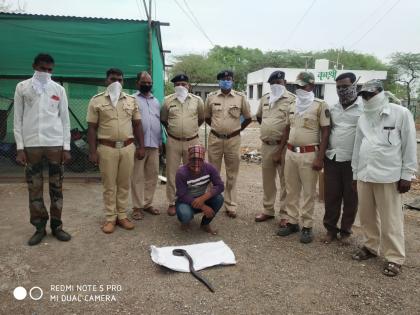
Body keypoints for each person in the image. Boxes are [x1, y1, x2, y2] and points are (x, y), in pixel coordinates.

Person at [351, 79, 417, 277]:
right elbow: (357, 146)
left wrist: (407, 175)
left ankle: (395, 257)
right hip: (365, 173)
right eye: (363, 95)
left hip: (389, 176)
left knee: (391, 219)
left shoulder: (400, 113)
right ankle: (371, 247)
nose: (367, 98)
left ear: (381, 93)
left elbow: (409, 146)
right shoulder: (363, 117)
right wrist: (355, 174)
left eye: (370, 94)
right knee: (367, 216)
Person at [13, 53, 72, 246]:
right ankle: (39, 227)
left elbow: (64, 120)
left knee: (57, 187)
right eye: (42, 68)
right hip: (31, 145)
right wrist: (20, 147)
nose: (45, 72)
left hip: (55, 144)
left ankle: (57, 226)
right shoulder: (22, 87)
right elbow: (17, 119)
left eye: (49, 70)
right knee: (34, 188)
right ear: (34, 66)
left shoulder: (58, 90)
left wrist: (66, 147)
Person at [274, 72, 330, 243]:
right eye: (297, 86)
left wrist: (320, 158)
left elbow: (326, 131)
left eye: (303, 86)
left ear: (311, 86)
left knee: (308, 192)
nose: (299, 89)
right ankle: (292, 222)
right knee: (291, 189)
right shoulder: (292, 104)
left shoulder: (320, 105)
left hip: (309, 153)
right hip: (291, 153)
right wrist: (280, 150)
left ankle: (307, 226)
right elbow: (287, 129)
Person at [87, 68, 145, 234]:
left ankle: (122, 216)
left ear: (123, 82)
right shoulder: (96, 101)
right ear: (106, 81)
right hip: (106, 148)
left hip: (127, 147)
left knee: (124, 183)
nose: (116, 82)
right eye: (113, 79)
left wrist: (141, 146)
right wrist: (92, 151)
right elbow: (91, 128)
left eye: (120, 79)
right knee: (109, 185)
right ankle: (110, 218)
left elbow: (137, 125)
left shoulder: (131, 100)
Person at [204, 70, 252, 218]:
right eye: (223, 79)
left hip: (233, 140)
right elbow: (206, 117)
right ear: (219, 81)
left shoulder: (240, 98)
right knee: (213, 173)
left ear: (232, 81)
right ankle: (213, 201)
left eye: (229, 78)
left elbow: (249, 117)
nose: (226, 81)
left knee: (232, 174)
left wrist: (236, 131)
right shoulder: (211, 97)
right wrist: (218, 129)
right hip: (215, 139)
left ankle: (231, 205)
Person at [322, 72, 363, 244]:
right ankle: (330, 230)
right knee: (331, 196)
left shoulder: (364, 109)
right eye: (338, 87)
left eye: (345, 86)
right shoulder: (333, 109)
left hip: (353, 162)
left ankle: (345, 231)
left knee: (351, 198)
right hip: (332, 158)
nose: (341, 90)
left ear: (354, 86)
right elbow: (327, 131)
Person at [160, 74, 204, 216]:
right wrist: (175, 130)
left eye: (184, 84)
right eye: (178, 84)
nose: (181, 86)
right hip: (173, 141)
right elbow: (164, 119)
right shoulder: (167, 101)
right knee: (172, 173)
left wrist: (189, 130)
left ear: (189, 86)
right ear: (174, 86)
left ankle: (190, 200)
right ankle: (172, 202)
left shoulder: (197, 101)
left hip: (192, 141)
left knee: (193, 172)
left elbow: (201, 118)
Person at [255, 71, 295, 223]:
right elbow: (259, 117)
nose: (276, 85)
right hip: (266, 145)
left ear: (284, 82)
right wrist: (269, 131)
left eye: (279, 82)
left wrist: (279, 147)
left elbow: (291, 125)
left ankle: (285, 214)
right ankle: (268, 210)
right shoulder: (265, 98)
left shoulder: (291, 99)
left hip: (283, 147)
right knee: (268, 180)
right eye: (273, 83)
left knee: (286, 181)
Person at [130, 71, 161, 220]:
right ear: (137, 83)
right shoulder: (132, 100)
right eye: (144, 82)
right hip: (138, 146)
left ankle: (147, 203)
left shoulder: (156, 101)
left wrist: (161, 142)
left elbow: (158, 123)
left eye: (149, 82)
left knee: (152, 175)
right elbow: (131, 123)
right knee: (137, 177)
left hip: (154, 145)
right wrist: (137, 144)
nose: (147, 85)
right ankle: (137, 206)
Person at [175, 145, 224, 235]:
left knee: (219, 199)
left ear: (204, 160)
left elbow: (220, 186)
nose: (196, 170)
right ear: (189, 159)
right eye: (193, 164)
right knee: (185, 214)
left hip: (202, 197)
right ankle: (185, 221)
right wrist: (203, 206)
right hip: (185, 201)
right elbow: (182, 195)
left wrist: (203, 198)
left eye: (200, 162)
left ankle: (205, 224)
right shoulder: (181, 172)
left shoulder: (210, 168)